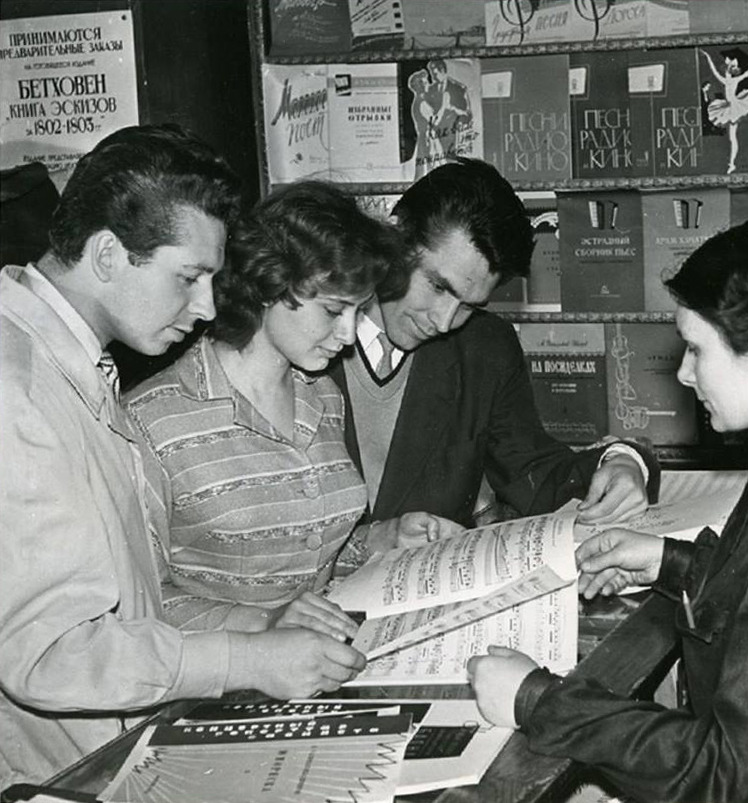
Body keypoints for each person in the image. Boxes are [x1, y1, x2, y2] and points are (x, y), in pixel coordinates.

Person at [468, 217, 748, 802]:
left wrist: (536, 699)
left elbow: (724, 775)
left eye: (696, 348)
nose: (683, 372)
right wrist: (670, 562)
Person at [0, 126, 361, 789]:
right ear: (107, 254)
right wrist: (244, 659)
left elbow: (131, 594)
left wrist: (256, 625)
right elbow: (48, 654)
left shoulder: (61, 360)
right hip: (62, 771)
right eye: (189, 276)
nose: (204, 306)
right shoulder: (17, 390)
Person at [125, 181, 462, 636]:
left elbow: (304, 557)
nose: (347, 335)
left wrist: (380, 540)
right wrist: (265, 624)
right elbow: (133, 605)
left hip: (314, 670)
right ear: (268, 283)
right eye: (332, 311)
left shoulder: (322, 397)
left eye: (358, 311)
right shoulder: (150, 422)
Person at [326, 157, 659, 532]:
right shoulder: (306, 331)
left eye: (469, 305)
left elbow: (535, 473)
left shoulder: (484, 348)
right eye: (438, 286)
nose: (444, 321)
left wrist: (623, 461)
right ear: (395, 236)